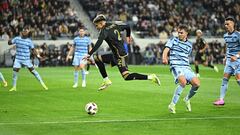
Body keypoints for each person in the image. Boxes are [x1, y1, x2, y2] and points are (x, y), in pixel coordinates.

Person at [83, 14, 160, 91]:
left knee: (126, 76)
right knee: (96, 58)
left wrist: (89, 54)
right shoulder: (115, 24)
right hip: (116, 55)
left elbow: (98, 43)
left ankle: (150, 77)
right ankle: (106, 80)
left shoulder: (104, 31)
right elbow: (127, 26)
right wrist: (128, 36)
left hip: (120, 56)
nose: (96, 27)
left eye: (97, 25)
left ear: (101, 23)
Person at [162, 24, 200, 114]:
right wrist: (164, 57)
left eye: (181, 33)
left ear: (186, 33)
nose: (179, 34)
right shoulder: (173, 40)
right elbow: (166, 50)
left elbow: (187, 55)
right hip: (176, 65)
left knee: (197, 84)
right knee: (182, 82)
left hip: (186, 67)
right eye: (178, 32)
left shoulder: (189, 45)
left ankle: (187, 99)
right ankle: (172, 104)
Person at [8, 27, 48, 91]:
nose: (24, 32)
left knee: (33, 72)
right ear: (22, 32)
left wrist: (38, 57)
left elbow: (33, 50)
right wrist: (9, 40)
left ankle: (43, 84)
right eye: (24, 30)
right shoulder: (17, 38)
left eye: (26, 31)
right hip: (18, 59)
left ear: (28, 33)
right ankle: (14, 87)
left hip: (26, 60)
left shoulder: (29, 41)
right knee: (15, 72)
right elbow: (9, 43)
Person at [213, 17, 240, 106]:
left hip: (238, 60)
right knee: (224, 79)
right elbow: (228, 47)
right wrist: (225, 57)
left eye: (228, 24)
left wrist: (236, 56)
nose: (226, 26)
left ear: (233, 24)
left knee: (238, 79)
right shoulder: (225, 35)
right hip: (229, 60)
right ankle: (221, 100)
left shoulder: (238, 34)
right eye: (225, 24)